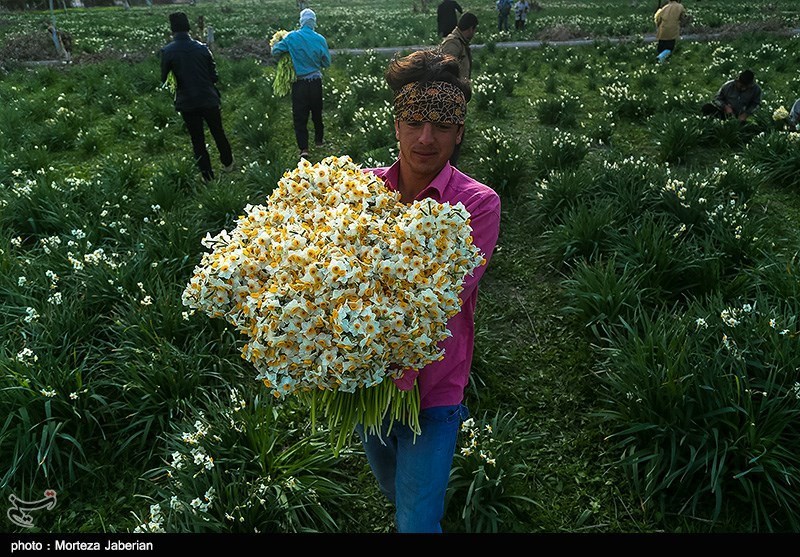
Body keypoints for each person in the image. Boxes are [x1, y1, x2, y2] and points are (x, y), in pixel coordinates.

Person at [357, 49, 501, 534]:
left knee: (417, 523)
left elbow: (443, 300)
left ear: (459, 134)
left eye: (441, 125)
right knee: (394, 486)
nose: (425, 138)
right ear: (395, 126)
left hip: (433, 389)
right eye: (413, 121)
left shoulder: (477, 204)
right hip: (362, 381)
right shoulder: (360, 192)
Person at [160, 12, 233, 182]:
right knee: (218, 131)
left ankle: (207, 175)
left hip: (188, 102)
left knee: (197, 139)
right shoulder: (202, 48)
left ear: (173, 30)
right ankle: (228, 163)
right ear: (188, 27)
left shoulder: (168, 51)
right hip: (208, 98)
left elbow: (164, 78)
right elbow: (214, 76)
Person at [271, 8, 331, 159]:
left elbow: (275, 51)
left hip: (299, 84)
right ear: (314, 23)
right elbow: (327, 62)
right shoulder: (320, 39)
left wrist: (287, 53)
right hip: (315, 82)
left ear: (301, 21)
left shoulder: (292, 37)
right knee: (317, 112)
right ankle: (319, 140)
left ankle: (304, 148)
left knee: (300, 115)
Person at [440, 12, 477, 166]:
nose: (474, 34)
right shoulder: (453, 44)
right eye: (474, 30)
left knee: (457, 134)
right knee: (452, 136)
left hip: (457, 96)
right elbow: (443, 71)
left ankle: (450, 169)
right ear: (469, 28)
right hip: (450, 98)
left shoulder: (460, 43)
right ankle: (447, 169)